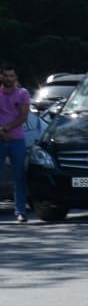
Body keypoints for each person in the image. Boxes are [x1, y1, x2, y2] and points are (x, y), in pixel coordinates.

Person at [0, 64, 31, 223]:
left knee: (19, 176)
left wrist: (6, 129)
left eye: (11, 76)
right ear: (1, 77)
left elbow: (23, 117)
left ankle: (20, 211)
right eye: (6, 75)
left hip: (17, 139)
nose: (9, 79)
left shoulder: (22, 93)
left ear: (15, 77)